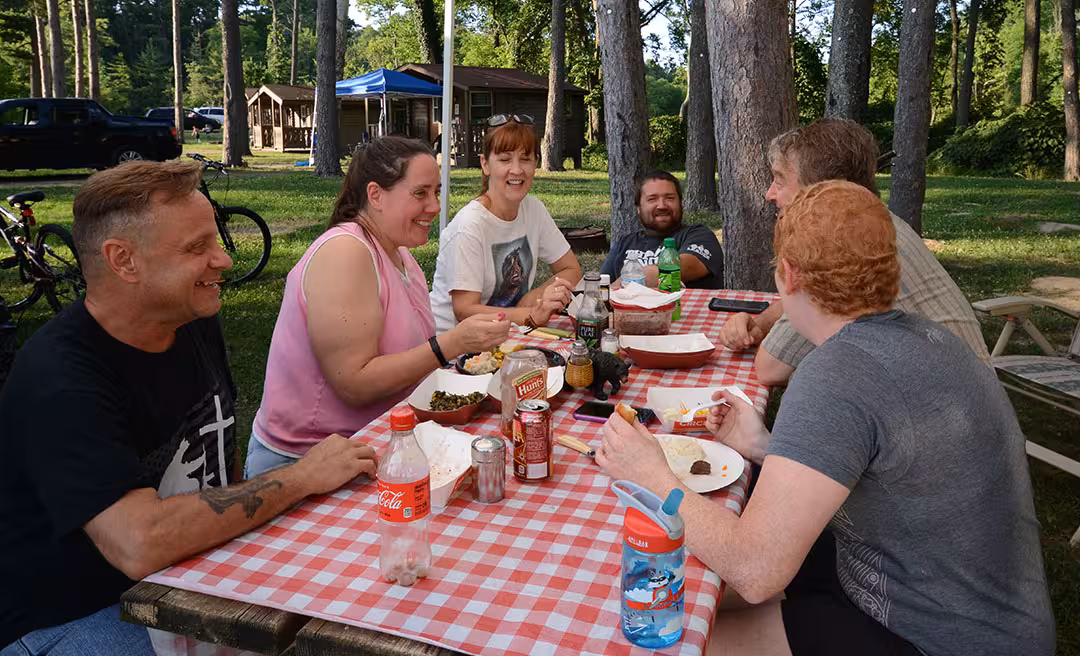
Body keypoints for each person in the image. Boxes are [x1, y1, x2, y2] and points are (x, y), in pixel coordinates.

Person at [598, 181, 1055, 656]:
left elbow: (755, 569)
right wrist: (763, 448)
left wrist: (651, 476)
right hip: (955, 609)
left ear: (788, 276)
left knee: (666, 637)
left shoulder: (838, 372)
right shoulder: (927, 338)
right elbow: (884, 474)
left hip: (933, 637)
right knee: (691, 596)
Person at [0, 160, 379, 655]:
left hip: (191, 569)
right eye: (197, 247)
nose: (222, 260)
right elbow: (140, 544)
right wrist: (301, 478)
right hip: (74, 610)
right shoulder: (62, 377)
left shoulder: (192, 318)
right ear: (124, 260)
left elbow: (216, 464)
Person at [247, 136, 510, 477]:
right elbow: (353, 384)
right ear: (375, 195)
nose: (434, 206)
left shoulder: (401, 256)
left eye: (437, 191)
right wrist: (453, 343)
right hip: (304, 465)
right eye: (420, 193)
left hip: (375, 447)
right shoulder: (346, 252)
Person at [719, 118, 990, 385]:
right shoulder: (872, 223)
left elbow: (770, 368)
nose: (770, 193)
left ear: (818, 188)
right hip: (975, 397)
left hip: (935, 410)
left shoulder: (833, 241)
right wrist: (761, 324)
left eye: (779, 179)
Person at [429, 114, 582, 333]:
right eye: (505, 159)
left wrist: (533, 297)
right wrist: (529, 314)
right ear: (485, 164)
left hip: (510, 337)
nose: (517, 170)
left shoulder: (534, 210)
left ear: (535, 164)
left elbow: (571, 269)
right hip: (457, 353)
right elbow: (464, 310)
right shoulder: (469, 225)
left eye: (525, 158)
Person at [598, 170, 724, 288]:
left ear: (681, 203)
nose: (662, 205)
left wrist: (623, 285)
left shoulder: (699, 235)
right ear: (638, 208)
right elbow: (600, 284)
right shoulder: (624, 243)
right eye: (652, 199)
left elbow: (682, 269)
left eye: (669, 198)